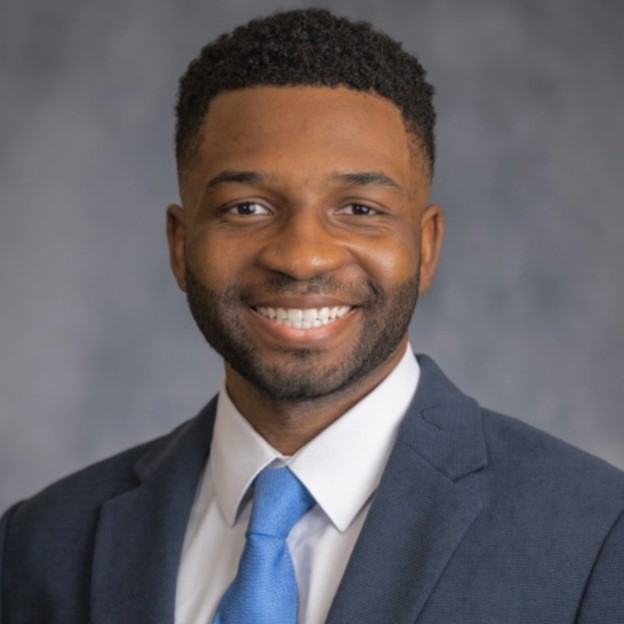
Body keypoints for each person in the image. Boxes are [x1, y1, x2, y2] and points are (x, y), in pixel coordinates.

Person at [1, 8, 623, 624]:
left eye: (359, 209)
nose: (302, 258)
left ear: (427, 246)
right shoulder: (37, 546)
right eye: (247, 208)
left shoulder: (597, 536)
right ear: (179, 244)